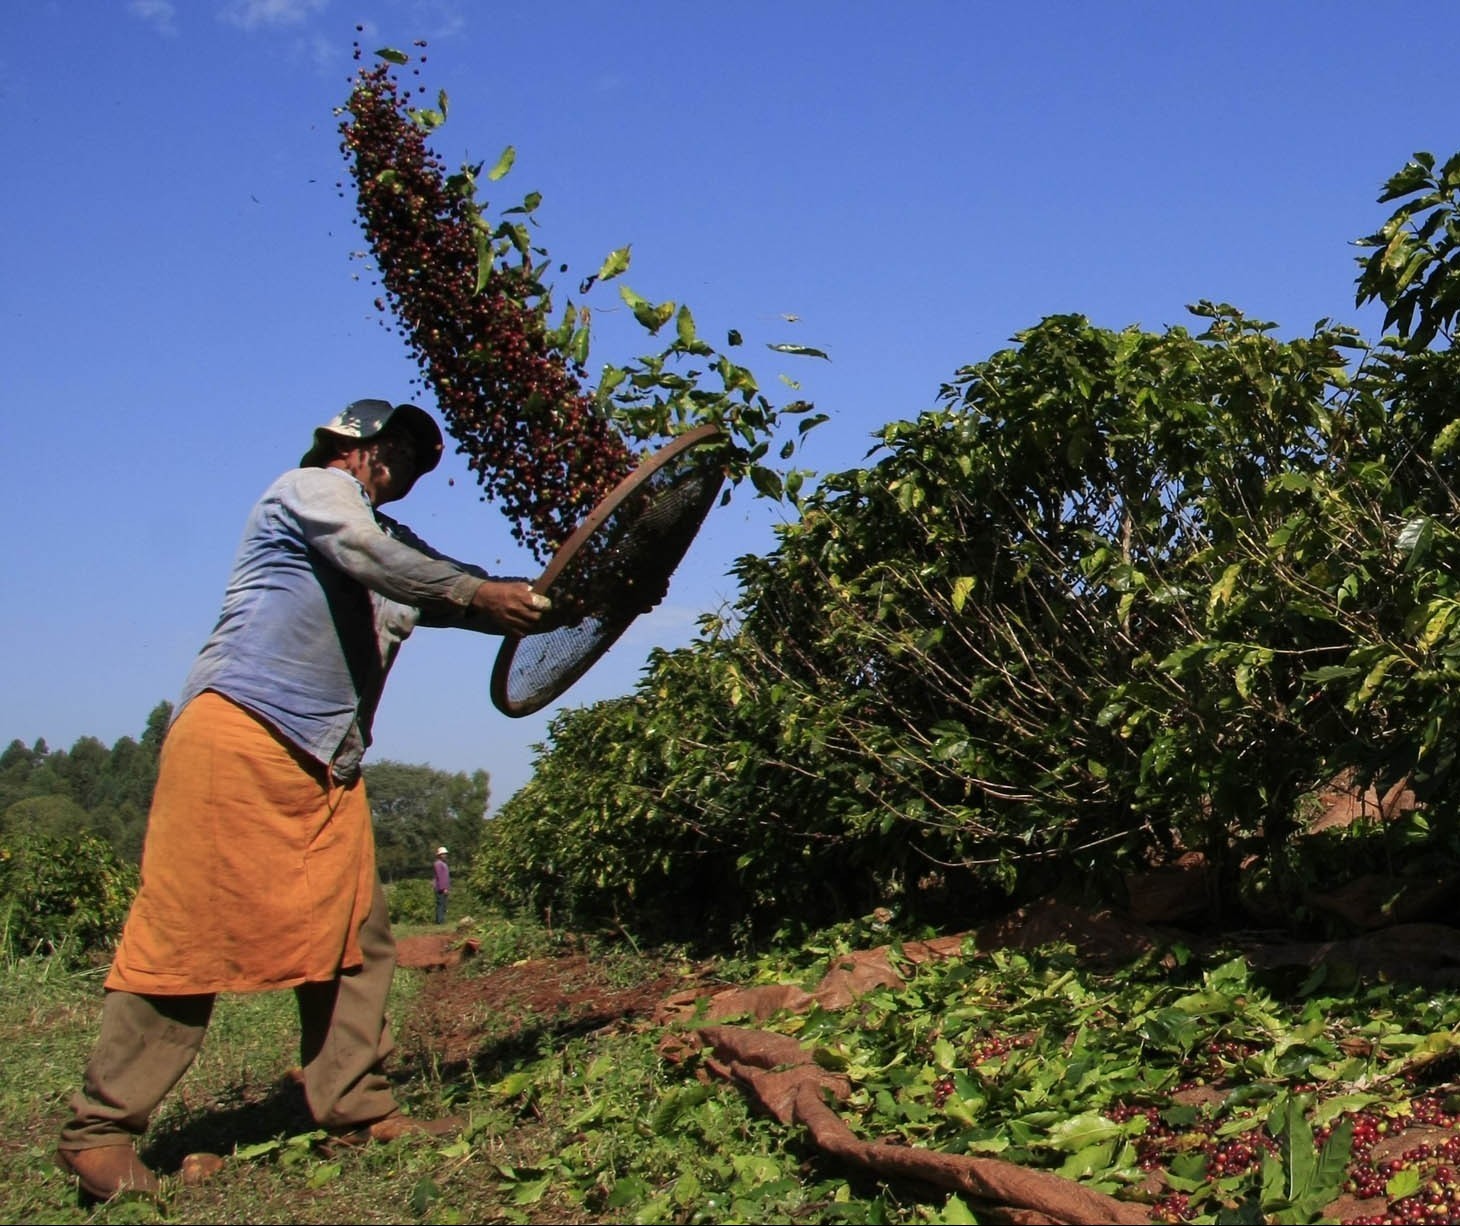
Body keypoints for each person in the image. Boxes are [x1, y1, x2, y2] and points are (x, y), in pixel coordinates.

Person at [56, 399, 550, 1201]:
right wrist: (476, 589)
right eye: (397, 445)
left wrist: (565, 599)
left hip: (327, 762)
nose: (408, 465)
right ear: (352, 444)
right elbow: (380, 558)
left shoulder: (397, 549)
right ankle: (100, 1131)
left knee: (358, 938)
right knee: (187, 937)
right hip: (243, 733)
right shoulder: (312, 492)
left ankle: (355, 1108)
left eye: (423, 459)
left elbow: (462, 598)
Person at [433, 847, 451, 924]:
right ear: (439, 855)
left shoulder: (444, 864)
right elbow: (440, 877)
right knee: (440, 904)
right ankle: (440, 921)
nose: (445, 855)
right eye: (443, 854)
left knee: (443, 904)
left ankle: (441, 919)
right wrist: (443, 888)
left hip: (444, 887)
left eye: (445, 854)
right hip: (440, 888)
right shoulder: (438, 864)